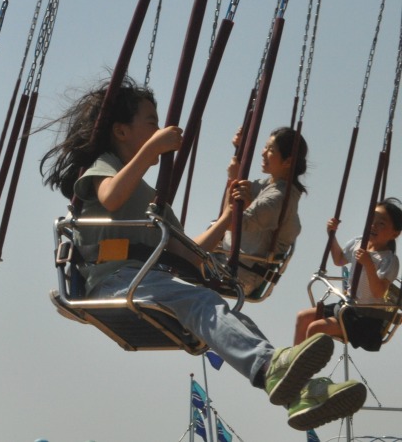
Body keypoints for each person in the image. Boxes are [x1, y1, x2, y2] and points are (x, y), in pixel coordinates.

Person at [39, 77, 366, 432]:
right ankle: (273, 367)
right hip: (113, 282)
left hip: (145, 282)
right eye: (151, 122)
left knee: (227, 314)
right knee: (201, 302)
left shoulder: (153, 201)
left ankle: (297, 393)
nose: (158, 129)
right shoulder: (105, 166)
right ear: (121, 131)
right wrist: (152, 150)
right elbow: (111, 197)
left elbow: (189, 251)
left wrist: (226, 219)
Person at [195, 126, 308, 297]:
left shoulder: (277, 199)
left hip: (238, 274)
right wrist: (240, 149)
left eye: (271, 150)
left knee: (174, 257)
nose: (263, 153)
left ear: (288, 162)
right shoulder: (270, 186)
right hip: (225, 261)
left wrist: (233, 180)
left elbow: (230, 223)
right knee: (172, 250)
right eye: (265, 147)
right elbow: (243, 189)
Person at [292, 198, 402, 351]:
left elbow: (378, 292)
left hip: (366, 319)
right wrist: (332, 235)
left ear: (394, 233)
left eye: (381, 223)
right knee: (302, 317)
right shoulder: (359, 243)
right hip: (347, 308)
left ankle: (305, 361)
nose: (373, 225)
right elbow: (339, 259)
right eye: (372, 220)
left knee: (315, 328)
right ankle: (293, 360)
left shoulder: (389, 260)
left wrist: (369, 264)